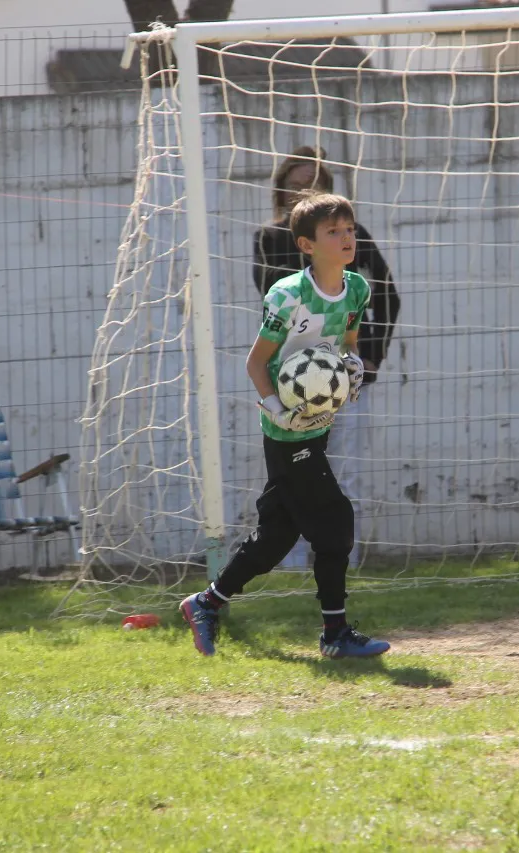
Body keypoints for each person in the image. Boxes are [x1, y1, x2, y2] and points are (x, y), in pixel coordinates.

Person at [182, 192, 390, 659]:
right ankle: (335, 635)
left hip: (318, 423)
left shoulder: (357, 288)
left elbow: (348, 343)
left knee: (276, 536)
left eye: (349, 229)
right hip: (284, 431)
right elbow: (257, 364)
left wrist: (352, 368)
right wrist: (278, 409)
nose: (346, 238)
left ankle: (206, 602)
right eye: (333, 232)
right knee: (336, 521)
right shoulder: (288, 295)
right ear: (306, 245)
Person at [252, 147, 401, 568]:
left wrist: (369, 357)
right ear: (281, 193)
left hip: (344, 380)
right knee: (295, 475)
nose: (305, 193)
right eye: (296, 186)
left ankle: (340, 561)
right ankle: (293, 563)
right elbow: (270, 300)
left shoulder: (353, 238)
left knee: (345, 472)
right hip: (292, 382)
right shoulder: (271, 240)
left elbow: (388, 293)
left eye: (314, 186)